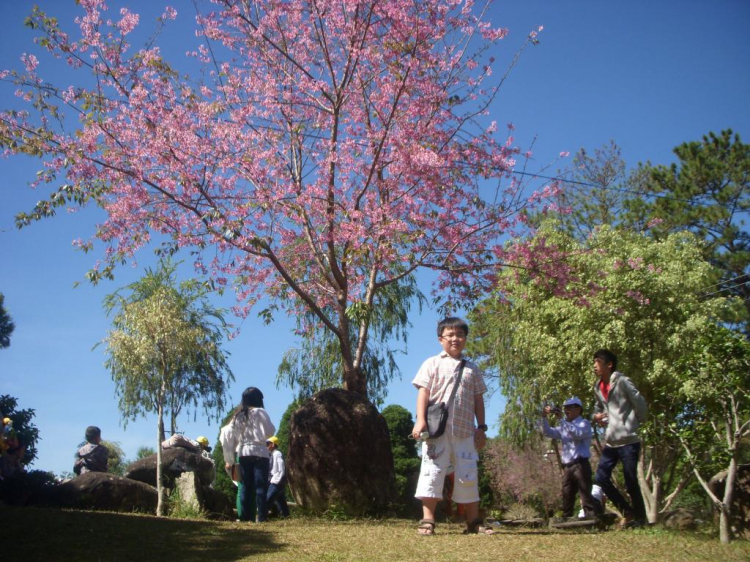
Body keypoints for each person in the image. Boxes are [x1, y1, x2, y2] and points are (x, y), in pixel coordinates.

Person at [411, 317, 492, 536]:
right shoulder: (431, 363)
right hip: (437, 430)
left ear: (465, 339)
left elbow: (478, 399)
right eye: (450, 335)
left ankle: (474, 522)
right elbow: (423, 392)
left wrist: (481, 428)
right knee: (432, 472)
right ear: (441, 339)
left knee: (468, 474)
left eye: (460, 335)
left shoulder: (472, 369)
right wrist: (420, 420)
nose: (455, 339)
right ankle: (428, 521)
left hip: (465, 430)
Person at [592, 349, 648, 528]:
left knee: (631, 481)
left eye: (598, 362)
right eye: (594, 362)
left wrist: (634, 423)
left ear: (609, 364)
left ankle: (640, 519)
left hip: (628, 441)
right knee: (600, 477)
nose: (594, 365)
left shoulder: (623, 382)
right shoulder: (598, 386)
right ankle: (627, 511)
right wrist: (596, 416)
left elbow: (639, 402)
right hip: (611, 441)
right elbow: (597, 407)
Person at [220, 387, 275, 522]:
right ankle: (261, 517)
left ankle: (245, 517)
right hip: (260, 452)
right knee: (260, 486)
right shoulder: (261, 412)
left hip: (243, 452)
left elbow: (230, 432)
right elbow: (271, 431)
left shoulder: (238, 415)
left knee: (245, 486)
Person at [541, 397, 600, 519]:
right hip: (568, 465)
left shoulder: (584, 423)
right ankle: (567, 518)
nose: (566, 410)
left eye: (569, 407)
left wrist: (561, 420)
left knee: (585, 493)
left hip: (580, 463)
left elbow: (576, 434)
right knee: (567, 493)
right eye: (565, 408)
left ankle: (591, 518)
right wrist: (544, 417)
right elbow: (548, 432)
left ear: (578, 409)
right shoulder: (565, 425)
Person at [266, 436, 290, 518]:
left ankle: (262, 516)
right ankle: (286, 515)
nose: (266, 446)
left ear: (272, 444)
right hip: (276, 480)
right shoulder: (272, 454)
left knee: (268, 499)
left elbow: (281, 467)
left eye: (267, 444)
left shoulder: (277, 454)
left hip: (276, 480)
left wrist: (277, 480)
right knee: (281, 500)